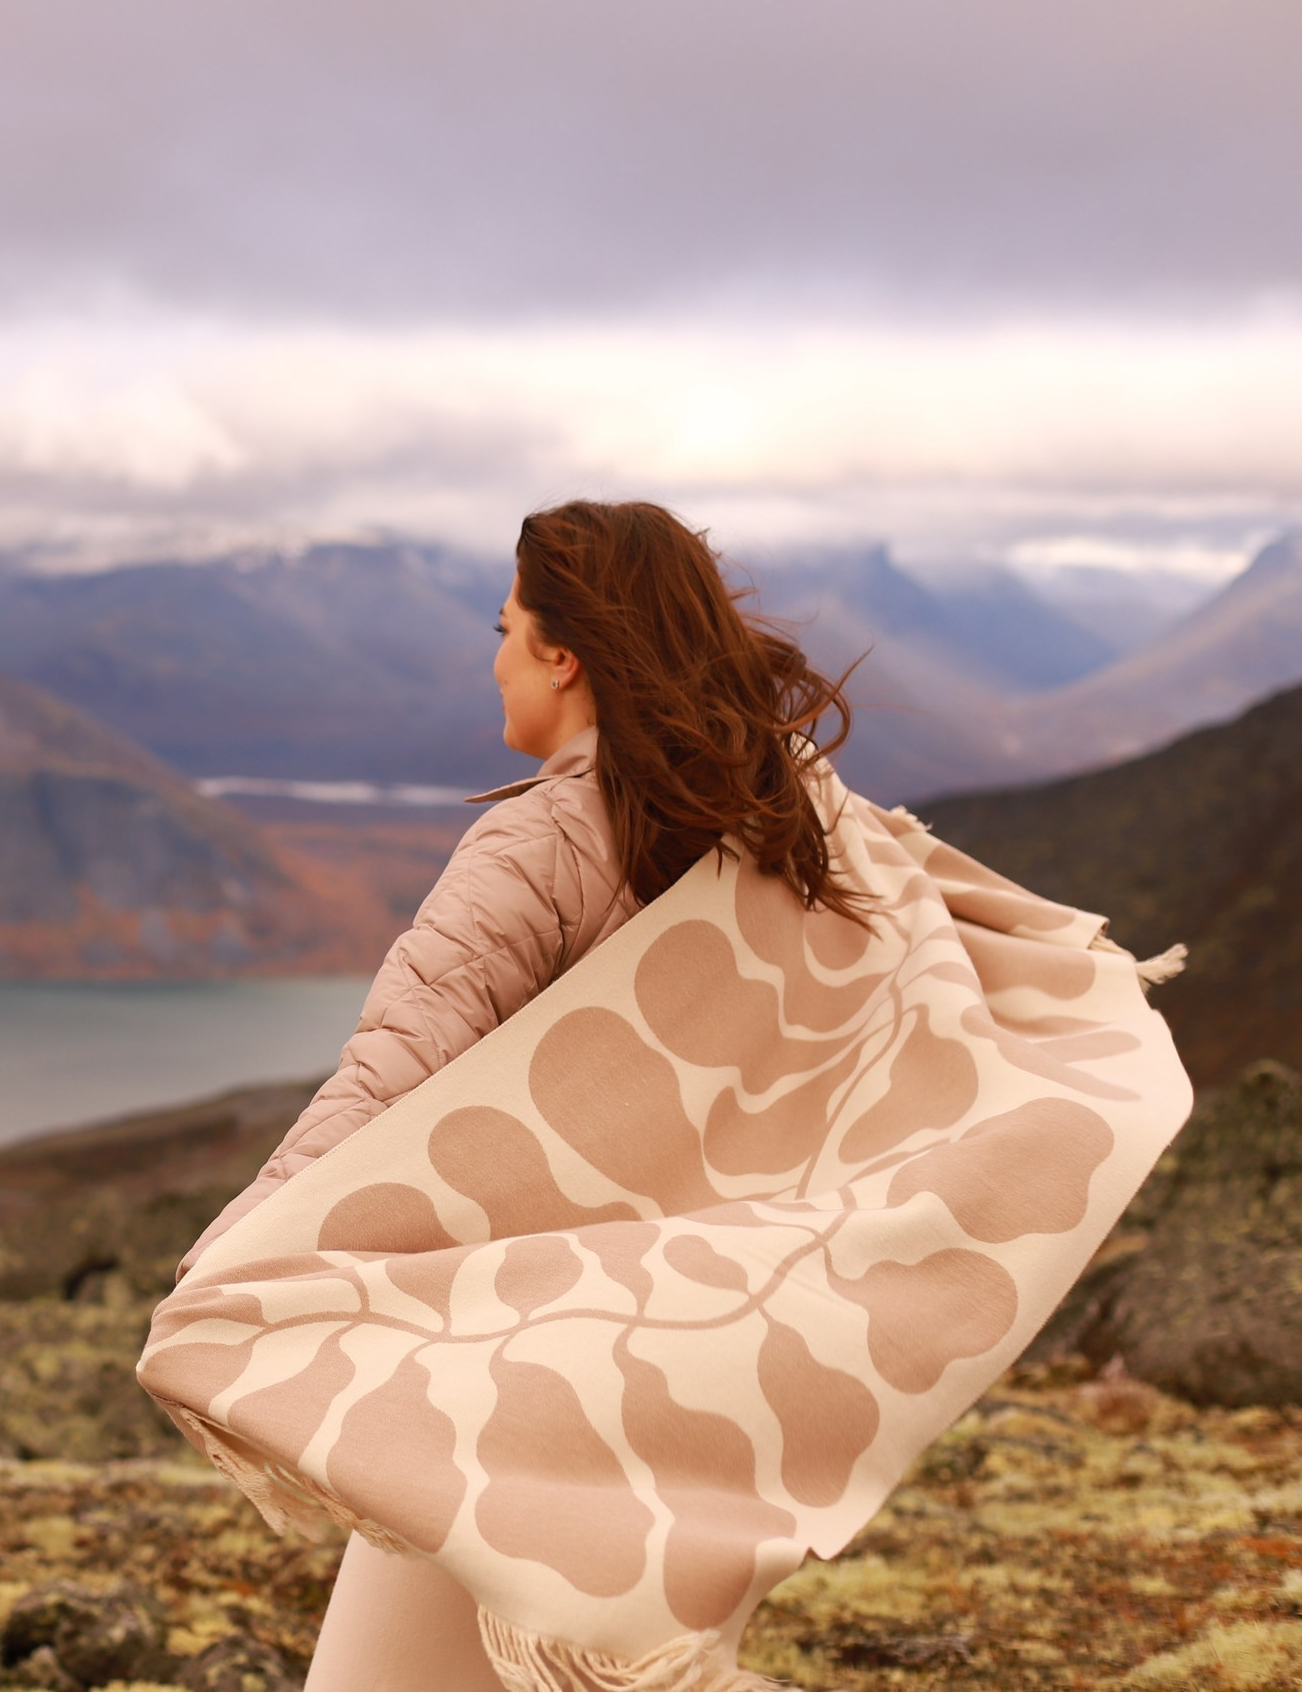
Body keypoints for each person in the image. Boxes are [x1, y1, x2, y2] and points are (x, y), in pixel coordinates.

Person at [179, 498, 865, 1690]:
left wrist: (242, 1253)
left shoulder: (539, 844)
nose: (492, 658)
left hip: (514, 1367)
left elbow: (399, 1061)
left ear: (562, 651)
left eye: (505, 627)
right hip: (700, 1359)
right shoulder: (772, 830)